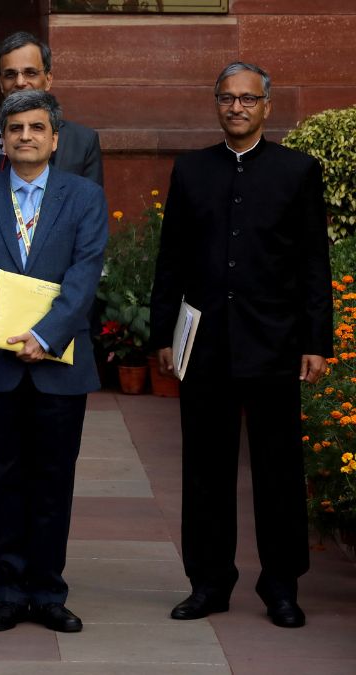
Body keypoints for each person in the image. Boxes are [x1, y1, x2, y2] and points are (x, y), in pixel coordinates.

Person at [151, 62, 331, 629]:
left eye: (248, 100)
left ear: (266, 107)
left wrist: (315, 341)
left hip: (274, 344)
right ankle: (209, 582)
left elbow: (312, 264)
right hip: (205, 346)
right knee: (205, 469)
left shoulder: (298, 171)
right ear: (215, 104)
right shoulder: (191, 170)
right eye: (227, 99)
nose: (236, 108)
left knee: (278, 471)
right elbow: (171, 259)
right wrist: (160, 335)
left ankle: (281, 586)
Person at [0, 89, 107, 633]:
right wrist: (8, 332)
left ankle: (49, 591)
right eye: (15, 128)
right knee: (0, 481)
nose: (25, 137)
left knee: (53, 482)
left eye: (37, 128)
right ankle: (9, 592)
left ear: (54, 137)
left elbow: (85, 273)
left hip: (59, 366)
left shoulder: (84, 196)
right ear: (3, 137)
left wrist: (45, 333)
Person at [0, 31, 102, 184]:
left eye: (30, 73)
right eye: (10, 75)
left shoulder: (82, 142)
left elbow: (90, 203)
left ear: (48, 80)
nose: (20, 82)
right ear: (0, 83)